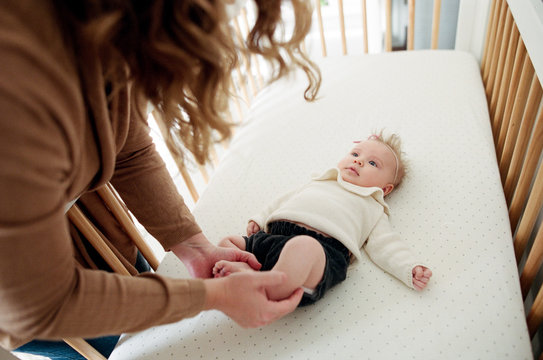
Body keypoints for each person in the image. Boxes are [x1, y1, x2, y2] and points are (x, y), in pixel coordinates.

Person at [0, 0, 321, 358]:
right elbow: (40, 307)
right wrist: (213, 298)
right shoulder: (17, 80)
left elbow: (129, 148)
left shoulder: (101, 35)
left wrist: (195, 248)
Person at [213, 132, 432, 306]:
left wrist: (408, 268)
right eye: (355, 155)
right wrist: (260, 218)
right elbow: (285, 199)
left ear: (385, 189)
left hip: (322, 252)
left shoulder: (373, 206)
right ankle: (250, 274)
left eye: (372, 164)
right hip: (276, 236)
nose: (358, 162)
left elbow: (386, 245)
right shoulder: (321, 181)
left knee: (304, 248)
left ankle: (268, 288)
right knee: (228, 244)